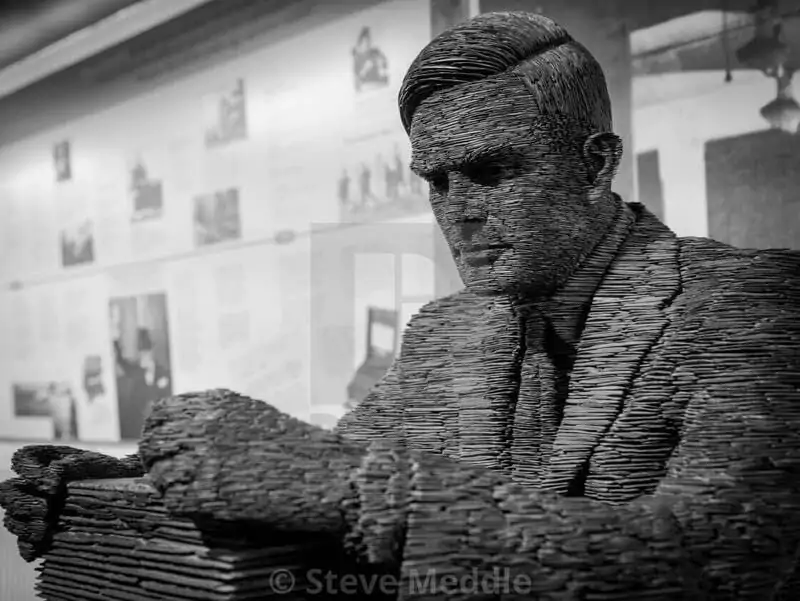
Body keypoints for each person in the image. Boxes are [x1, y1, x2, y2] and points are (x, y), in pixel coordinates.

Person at [3, 12, 800, 599]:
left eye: (490, 172)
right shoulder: (446, 332)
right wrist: (127, 480)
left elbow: (714, 551)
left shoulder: (751, 305)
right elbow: (331, 458)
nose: (459, 210)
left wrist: (355, 490)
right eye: (437, 180)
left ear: (595, 164)